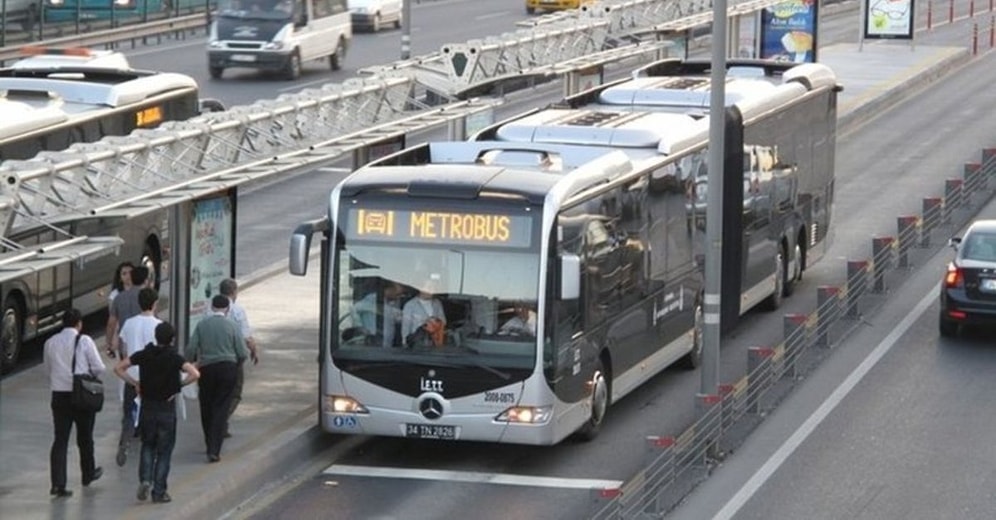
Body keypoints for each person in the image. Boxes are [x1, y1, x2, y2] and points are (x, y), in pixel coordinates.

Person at [115, 322, 199, 505]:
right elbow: (195, 374)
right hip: (166, 410)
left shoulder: (144, 354)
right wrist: (178, 386)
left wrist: (135, 383)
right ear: (172, 339)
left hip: (148, 408)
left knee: (148, 445)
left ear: (156, 336)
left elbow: (119, 368)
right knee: (164, 451)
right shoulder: (174, 358)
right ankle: (159, 491)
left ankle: (145, 479)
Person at [43, 309, 105, 498]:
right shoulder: (84, 341)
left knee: (60, 439)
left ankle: (58, 484)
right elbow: (99, 367)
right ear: (79, 323)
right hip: (81, 395)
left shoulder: (50, 342)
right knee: (85, 437)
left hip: (59, 395)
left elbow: (48, 370)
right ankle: (88, 473)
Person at [185, 295, 248, 463]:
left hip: (207, 369)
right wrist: (236, 365)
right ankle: (215, 449)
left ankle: (209, 442)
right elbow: (242, 352)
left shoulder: (202, 325)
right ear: (227, 309)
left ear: (212, 307)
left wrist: (189, 363)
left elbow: (191, 348)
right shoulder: (232, 326)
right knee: (221, 407)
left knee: (206, 406)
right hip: (227, 368)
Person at [115, 287, 162, 467]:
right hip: (151, 378)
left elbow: (124, 348)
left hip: (131, 375)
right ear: (155, 303)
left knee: (129, 412)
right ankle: (147, 447)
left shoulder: (129, 323)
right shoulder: (158, 325)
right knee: (150, 414)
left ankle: (125, 440)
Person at [219, 278, 259, 438]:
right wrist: (254, 350)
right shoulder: (237, 310)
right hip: (232, 358)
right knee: (235, 391)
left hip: (212, 358)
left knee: (217, 392)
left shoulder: (209, 309)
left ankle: (220, 422)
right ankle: (221, 419)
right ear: (234, 292)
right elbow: (246, 336)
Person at [352, 281, 404, 347]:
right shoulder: (372, 300)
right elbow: (354, 309)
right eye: (397, 294)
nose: (398, 297)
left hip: (387, 346)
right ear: (389, 289)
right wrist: (360, 327)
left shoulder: (392, 304)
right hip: (372, 345)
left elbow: (399, 318)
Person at [401, 277, 447, 346]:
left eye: (433, 288)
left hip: (435, 343)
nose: (432, 290)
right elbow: (405, 328)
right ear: (420, 288)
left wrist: (435, 322)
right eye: (429, 287)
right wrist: (405, 343)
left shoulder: (437, 303)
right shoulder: (410, 305)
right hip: (417, 345)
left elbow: (443, 321)